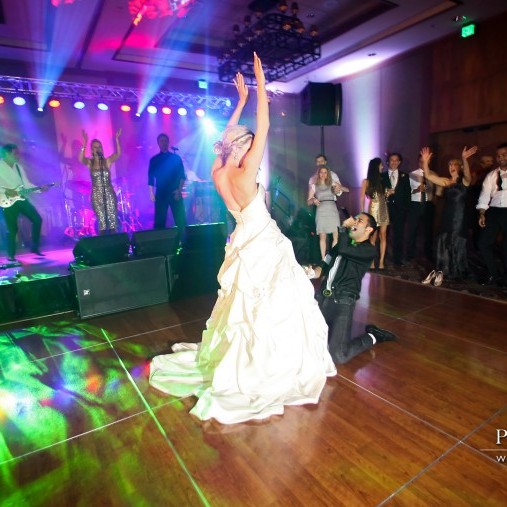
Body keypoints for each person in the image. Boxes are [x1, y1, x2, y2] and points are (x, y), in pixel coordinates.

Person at [149, 53, 336, 424]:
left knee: (244, 304)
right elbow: (264, 125)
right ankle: (271, 363)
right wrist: (260, 85)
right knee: (273, 301)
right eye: (247, 142)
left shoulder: (219, 171)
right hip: (262, 238)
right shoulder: (246, 170)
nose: (252, 145)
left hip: (241, 236)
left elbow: (228, 136)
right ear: (241, 147)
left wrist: (240, 101)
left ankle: (246, 356)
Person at [310, 213, 398, 364]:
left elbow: (344, 250)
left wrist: (344, 227)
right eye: (355, 219)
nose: (355, 222)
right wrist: (309, 272)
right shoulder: (340, 246)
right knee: (304, 341)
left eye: (360, 221)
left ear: (369, 230)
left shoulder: (368, 250)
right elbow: (324, 265)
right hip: (322, 299)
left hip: (342, 302)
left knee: (338, 355)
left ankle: (374, 336)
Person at [419, 145, 477, 286]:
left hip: (459, 217)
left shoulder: (464, 181)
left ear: (460, 167)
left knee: (456, 241)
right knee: (444, 240)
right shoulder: (446, 181)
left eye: (455, 164)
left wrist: (464, 159)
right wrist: (425, 162)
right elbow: (428, 175)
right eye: (450, 165)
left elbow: (468, 175)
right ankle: (442, 270)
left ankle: (455, 270)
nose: (452, 167)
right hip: (447, 215)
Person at [0, 144, 49, 261]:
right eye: (15, 153)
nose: (18, 155)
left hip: (21, 199)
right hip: (6, 200)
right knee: (12, 229)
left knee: (37, 219)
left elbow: (26, 184)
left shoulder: (18, 167)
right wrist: (5, 190)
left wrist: (39, 189)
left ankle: (34, 247)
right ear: (7, 153)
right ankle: (11, 255)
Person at [79, 129, 122, 235]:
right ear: (92, 150)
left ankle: (114, 242)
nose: (98, 148)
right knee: (102, 223)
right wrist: (85, 142)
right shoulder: (90, 163)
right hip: (96, 195)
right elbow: (81, 159)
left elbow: (118, 154)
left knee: (112, 222)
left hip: (109, 193)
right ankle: (102, 242)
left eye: (99, 147)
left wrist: (117, 139)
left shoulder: (107, 161)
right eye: (95, 147)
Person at [477, 142, 507, 286]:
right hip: (494, 211)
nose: (501, 158)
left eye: (504, 154)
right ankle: (493, 273)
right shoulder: (491, 175)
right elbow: (484, 195)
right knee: (483, 243)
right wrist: (482, 213)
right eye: (498, 155)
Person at [148, 133, 186, 240]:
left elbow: (182, 176)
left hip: (175, 192)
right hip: (161, 193)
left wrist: (179, 190)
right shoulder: (154, 160)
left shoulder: (176, 158)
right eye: (161, 141)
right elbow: (150, 178)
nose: (164, 143)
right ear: (158, 143)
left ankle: (183, 242)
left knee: (180, 220)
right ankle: (160, 243)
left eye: (165, 141)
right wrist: (151, 193)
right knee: (160, 221)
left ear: (168, 142)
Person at [360, 157, 391, 269]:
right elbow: (362, 197)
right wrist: (362, 212)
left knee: (383, 235)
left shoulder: (383, 179)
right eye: (380, 165)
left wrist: (388, 193)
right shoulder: (366, 181)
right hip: (373, 209)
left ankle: (381, 262)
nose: (382, 167)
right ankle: (372, 262)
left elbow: (385, 194)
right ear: (376, 166)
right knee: (373, 237)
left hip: (383, 208)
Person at [382, 153, 411, 266]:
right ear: (388, 162)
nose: (394, 162)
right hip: (386, 209)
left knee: (399, 235)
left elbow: (407, 194)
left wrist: (405, 209)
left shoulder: (405, 176)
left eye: (396, 160)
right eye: (391, 160)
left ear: (399, 162)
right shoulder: (382, 176)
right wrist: (386, 193)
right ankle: (382, 257)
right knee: (384, 234)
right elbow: (378, 193)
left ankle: (397, 259)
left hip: (400, 210)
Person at [307, 166, 341, 260]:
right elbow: (308, 201)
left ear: (328, 174)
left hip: (332, 209)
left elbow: (338, 191)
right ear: (318, 173)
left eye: (325, 172)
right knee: (322, 236)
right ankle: (323, 259)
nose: (323, 174)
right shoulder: (314, 185)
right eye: (321, 172)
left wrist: (337, 188)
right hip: (321, 210)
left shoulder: (332, 183)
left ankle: (332, 258)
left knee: (336, 235)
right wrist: (313, 200)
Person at [406, 155, 435, 262]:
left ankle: (428, 253)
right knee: (412, 230)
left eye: (425, 161)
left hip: (428, 204)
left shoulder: (433, 175)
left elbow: (437, 190)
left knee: (428, 231)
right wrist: (417, 190)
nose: (423, 164)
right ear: (418, 162)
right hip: (415, 204)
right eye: (421, 161)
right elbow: (407, 192)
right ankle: (410, 253)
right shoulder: (412, 174)